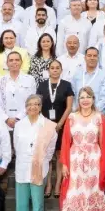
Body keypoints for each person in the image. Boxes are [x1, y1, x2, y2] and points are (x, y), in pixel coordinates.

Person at [58, 87, 105, 211]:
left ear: (93, 99)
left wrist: (103, 166)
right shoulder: (71, 118)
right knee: (76, 194)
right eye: (82, 97)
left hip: (94, 161)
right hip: (75, 161)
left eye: (88, 97)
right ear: (78, 100)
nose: (85, 100)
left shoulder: (100, 118)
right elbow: (65, 142)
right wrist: (64, 164)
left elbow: (104, 143)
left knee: (89, 195)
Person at [13, 95, 58, 211]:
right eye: (29, 104)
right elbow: (16, 146)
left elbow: (51, 149)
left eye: (36, 104)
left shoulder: (48, 125)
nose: (33, 107)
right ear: (25, 107)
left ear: (40, 107)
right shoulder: (19, 125)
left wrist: (41, 160)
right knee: (21, 201)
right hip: (22, 167)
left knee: (38, 202)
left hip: (39, 167)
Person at [38, 59, 74, 197]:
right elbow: (38, 105)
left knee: (59, 155)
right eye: (52, 68)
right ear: (48, 70)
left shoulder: (66, 85)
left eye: (57, 68)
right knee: (47, 155)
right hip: (45, 125)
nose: (54, 70)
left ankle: (58, 183)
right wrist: (47, 124)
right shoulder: (41, 85)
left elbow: (69, 107)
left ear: (61, 70)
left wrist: (59, 124)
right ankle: (48, 184)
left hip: (61, 125)